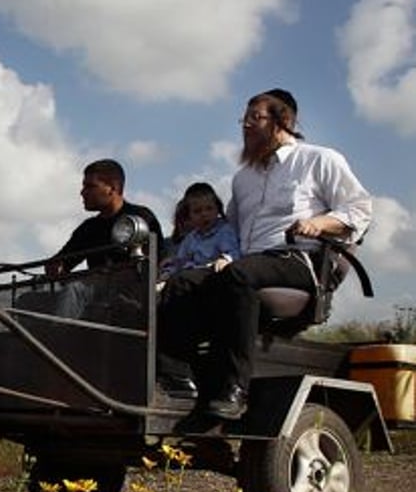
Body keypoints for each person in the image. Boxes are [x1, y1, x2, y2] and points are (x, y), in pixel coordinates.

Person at [159, 89, 372, 421]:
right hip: (247, 262)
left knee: (240, 275)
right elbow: (227, 230)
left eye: (254, 118)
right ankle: (177, 379)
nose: (245, 126)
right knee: (182, 283)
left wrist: (319, 222)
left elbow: (359, 211)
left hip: (298, 261)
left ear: (283, 121)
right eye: (242, 119)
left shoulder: (319, 159)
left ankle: (234, 390)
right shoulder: (243, 178)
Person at [46, 159, 163, 277]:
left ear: (112, 188)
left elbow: (156, 263)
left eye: (90, 186)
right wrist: (55, 266)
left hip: (133, 292)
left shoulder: (140, 217)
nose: (82, 192)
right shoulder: (88, 228)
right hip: (97, 293)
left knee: (74, 289)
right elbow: (60, 264)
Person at [159, 182, 240, 280]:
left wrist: (225, 260)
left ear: (218, 209)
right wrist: (169, 269)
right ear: (189, 216)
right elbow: (181, 261)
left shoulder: (224, 231)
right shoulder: (190, 239)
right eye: (197, 211)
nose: (204, 214)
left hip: (213, 274)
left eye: (209, 209)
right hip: (192, 276)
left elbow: (233, 252)